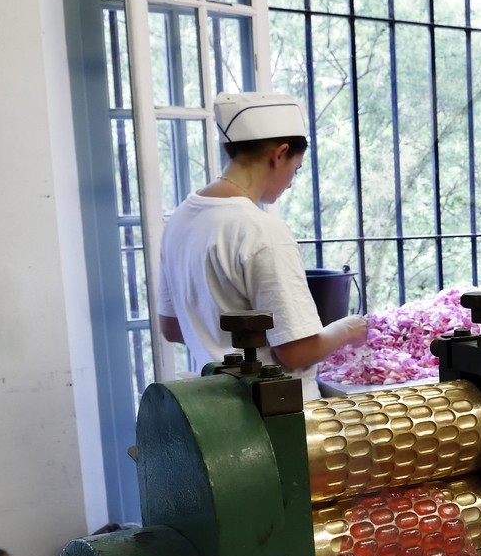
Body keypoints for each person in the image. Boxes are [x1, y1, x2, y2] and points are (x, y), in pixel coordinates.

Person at [157, 91, 366, 400]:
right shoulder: (261, 231)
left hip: (216, 406)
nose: (290, 182)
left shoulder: (180, 219)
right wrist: (347, 329)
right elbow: (296, 352)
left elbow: (172, 328)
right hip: (276, 412)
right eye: (295, 168)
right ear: (279, 154)